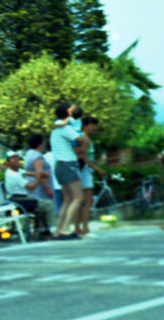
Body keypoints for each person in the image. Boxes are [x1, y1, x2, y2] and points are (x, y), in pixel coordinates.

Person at [50, 102, 85, 240]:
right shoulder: (65, 127)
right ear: (68, 112)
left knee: (67, 200)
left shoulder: (57, 125)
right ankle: (65, 229)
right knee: (78, 197)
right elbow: (79, 139)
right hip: (68, 163)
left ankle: (57, 230)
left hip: (60, 165)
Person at [4, 150, 54, 239]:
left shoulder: (14, 170)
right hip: (20, 201)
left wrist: (40, 174)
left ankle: (43, 231)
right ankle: (51, 230)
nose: (16, 159)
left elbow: (27, 173)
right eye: (12, 158)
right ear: (8, 162)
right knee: (47, 204)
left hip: (19, 200)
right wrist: (39, 177)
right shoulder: (14, 175)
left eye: (16, 157)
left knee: (42, 204)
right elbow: (31, 187)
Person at [76, 116, 106, 237]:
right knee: (88, 200)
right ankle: (85, 229)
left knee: (81, 201)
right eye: (92, 125)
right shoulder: (84, 139)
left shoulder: (84, 138)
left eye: (95, 125)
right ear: (85, 126)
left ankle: (78, 228)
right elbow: (84, 158)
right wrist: (98, 169)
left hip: (85, 171)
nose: (94, 128)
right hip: (85, 171)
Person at [23, 134, 54, 202]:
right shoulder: (37, 156)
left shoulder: (29, 153)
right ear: (40, 144)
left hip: (31, 184)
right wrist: (48, 188)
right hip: (40, 189)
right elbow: (40, 174)